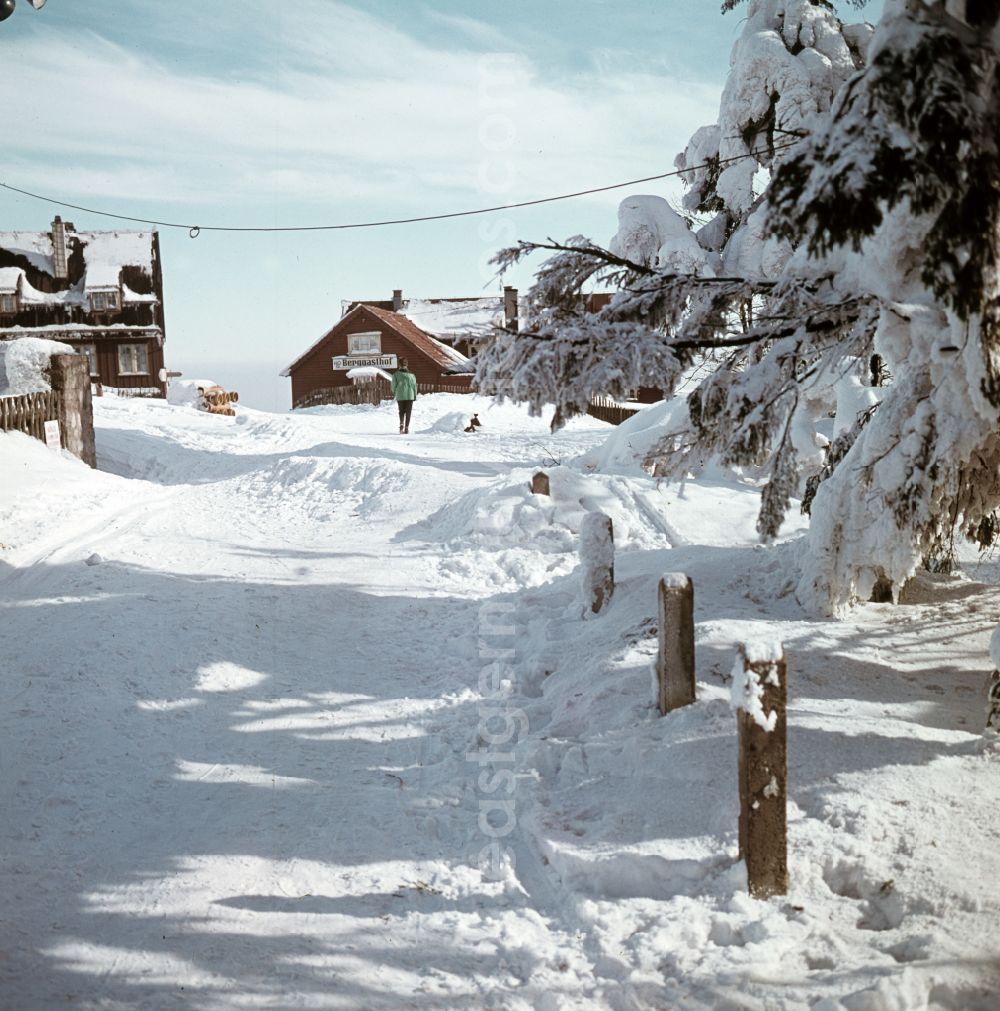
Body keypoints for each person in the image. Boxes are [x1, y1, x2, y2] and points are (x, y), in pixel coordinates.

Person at [391, 358, 417, 433]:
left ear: (399, 364)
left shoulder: (396, 374)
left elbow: (393, 385)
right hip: (410, 395)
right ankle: (406, 427)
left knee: (401, 411)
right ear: (406, 364)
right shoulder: (412, 375)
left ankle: (401, 423)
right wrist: (414, 394)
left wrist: (395, 392)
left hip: (400, 395)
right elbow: (414, 386)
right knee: (408, 412)